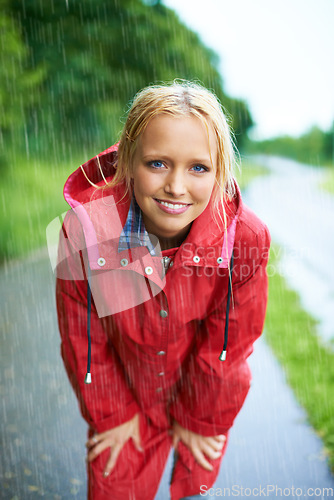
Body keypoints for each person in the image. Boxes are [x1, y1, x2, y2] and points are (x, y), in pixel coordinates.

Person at [55, 81, 270, 500]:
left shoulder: (243, 239)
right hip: (124, 391)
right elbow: (82, 338)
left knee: (193, 484)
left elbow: (231, 343)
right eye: (157, 163)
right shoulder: (83, 233)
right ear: (128, 161)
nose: (176, 186)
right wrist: (113, 413)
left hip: (202, 389)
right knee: (114, 489)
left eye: (198, 168)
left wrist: (201, 418)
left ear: (220, 172)